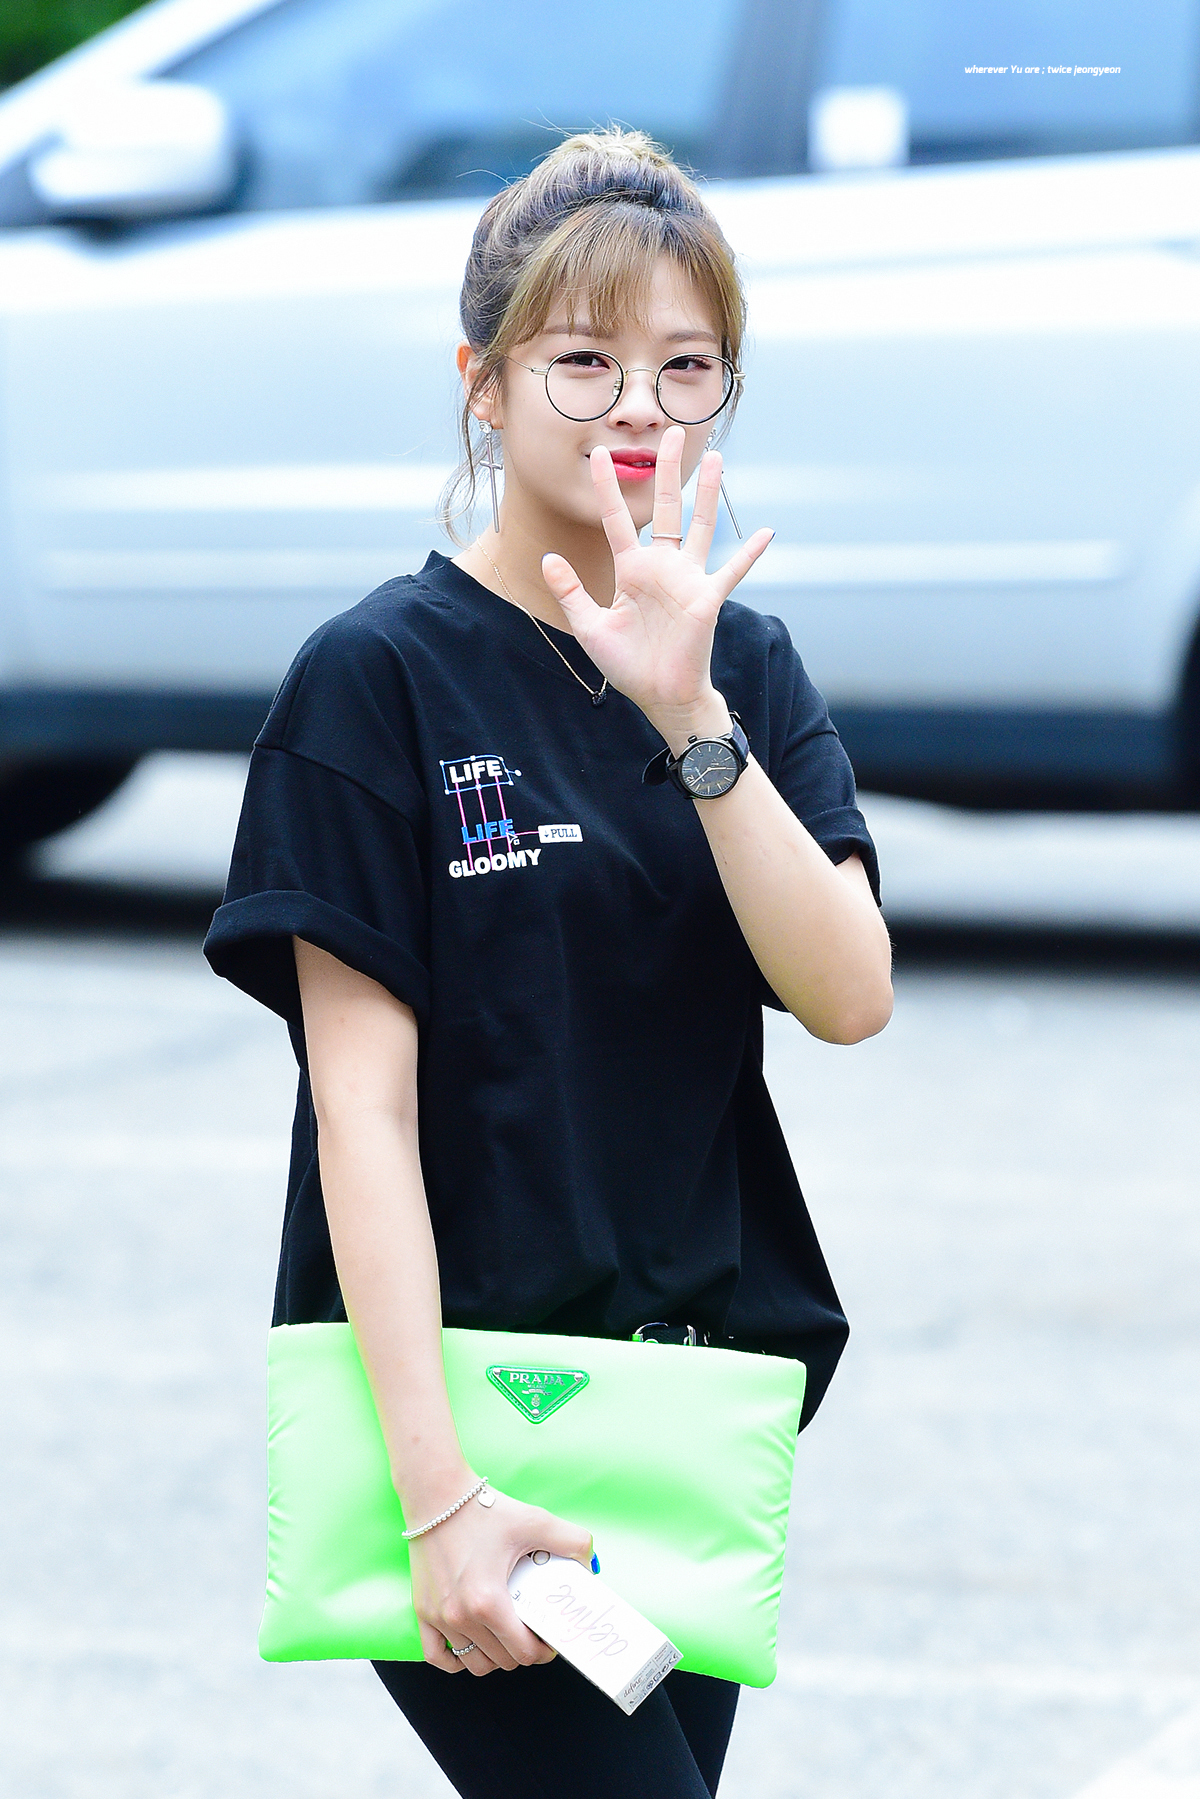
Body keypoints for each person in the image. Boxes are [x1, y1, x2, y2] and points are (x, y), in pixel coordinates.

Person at [204, 126, 893, 1799]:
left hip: (680, 1414)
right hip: (463, 1428)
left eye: (686, 367)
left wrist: (689, 715)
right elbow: (360, 1115)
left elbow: (848, 994)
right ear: (484, 385)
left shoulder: (744, 669)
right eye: (583, 361)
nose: (637, 409)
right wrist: (438, 1497)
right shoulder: (377, 679)